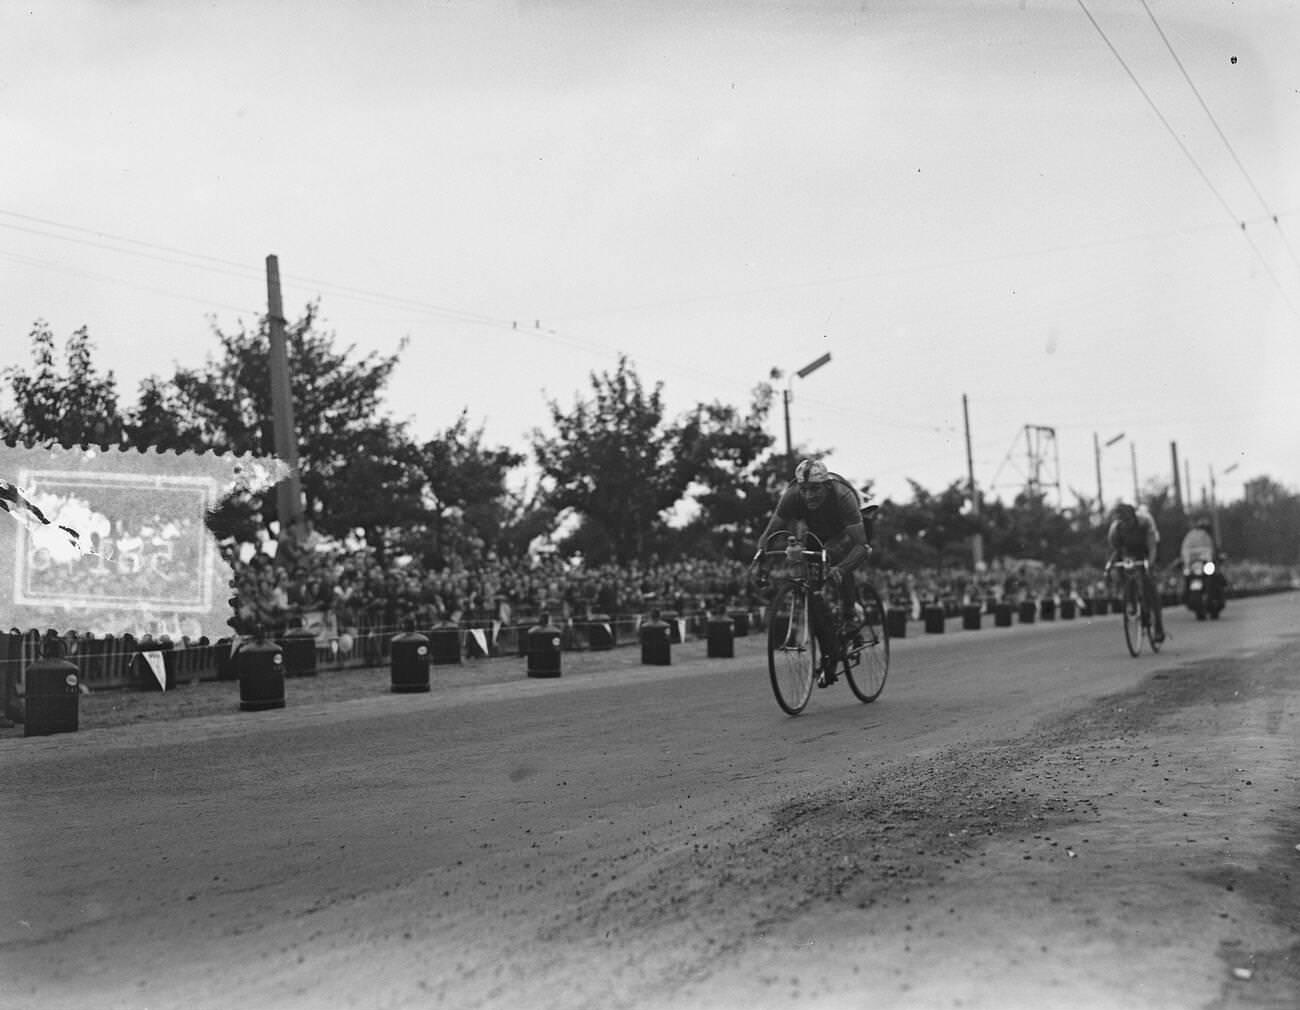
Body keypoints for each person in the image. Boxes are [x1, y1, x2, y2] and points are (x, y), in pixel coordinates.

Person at [750, 458, 872, 685]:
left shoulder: (842, 496)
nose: (809, 496)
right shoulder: (791, 495)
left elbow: (861, 547)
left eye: (815, 489)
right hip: (819, 530)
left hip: (851, 525)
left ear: (826, 486)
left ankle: (849, 615)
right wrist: (761, 558)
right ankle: (829, 649)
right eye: (804, 490)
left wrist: (841, 568)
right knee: (811, 587)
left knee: (839, 559)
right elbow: (769, 533)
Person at [1104, 501, 1165, 643]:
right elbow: (1116, 551)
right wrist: (1109, 566)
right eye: (1122, 521)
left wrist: (1150, 563)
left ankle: (1158, 628)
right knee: (1123, 574)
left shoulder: (1144, 523)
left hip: (1145, 551)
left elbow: (1152, 547)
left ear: (1133, 517)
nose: (1126, 524)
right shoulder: (1116, 529)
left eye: (1128, 520)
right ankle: (1130, 601)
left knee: (1150, 586)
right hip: (1128, 555)